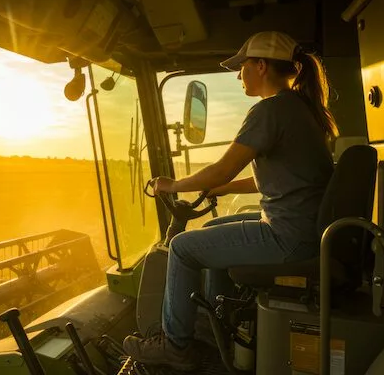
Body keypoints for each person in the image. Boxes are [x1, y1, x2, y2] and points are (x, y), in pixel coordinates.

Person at [122, 31, 339, 371]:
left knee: (182, 247)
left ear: (261, 66)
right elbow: (283, 176)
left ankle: (175, 345)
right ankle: (214, 329)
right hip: (304, 229)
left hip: (289, 237)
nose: (239, 75)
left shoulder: (270, 110)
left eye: (242, 67)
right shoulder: (300, 107)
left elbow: (221, 168)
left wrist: (173, 184)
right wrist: (221, 190)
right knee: (211, 227)